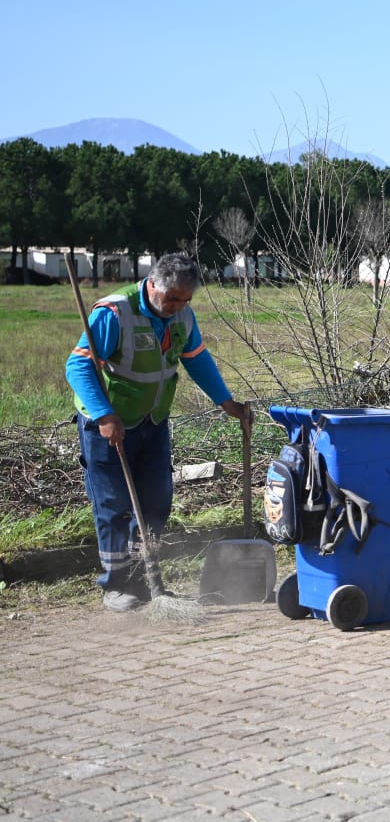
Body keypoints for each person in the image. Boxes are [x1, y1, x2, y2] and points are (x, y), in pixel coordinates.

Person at [66, 253, 251, 612]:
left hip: (153, 421)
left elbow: (196, 358)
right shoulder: (114, 313)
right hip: (108, 424)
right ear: (152, 285)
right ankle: (116, 585)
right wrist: (105, 415)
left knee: (156, 500)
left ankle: (147, 578)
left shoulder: (181, 313)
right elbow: (78, 366)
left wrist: (226, 402)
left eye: (185, 300)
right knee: (115, 505)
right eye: (172, 298)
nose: (178, 306)